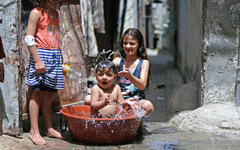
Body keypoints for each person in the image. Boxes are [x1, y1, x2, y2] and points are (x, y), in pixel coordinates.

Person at [24, 0, 64, 145]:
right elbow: (29, 38)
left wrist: (61, 56)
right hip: (40, 55)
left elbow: (55, 37)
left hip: (54, 56)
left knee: (48, 94)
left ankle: (49, 128)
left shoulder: (55, 13)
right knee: (36, 93)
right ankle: (33, 131)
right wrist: (37, 60)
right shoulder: (36, 12)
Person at [113, 28, 154, 117]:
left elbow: (142, 85)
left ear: (139, 45)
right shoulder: (117, 61)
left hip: (137, 101)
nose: (128, 46)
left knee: (148, 106)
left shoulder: (143, 63)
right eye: (125, 43)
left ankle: (136, 121)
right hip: (121, 100)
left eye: (132, 44)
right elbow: (105, 72)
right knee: (89, 99)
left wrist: (130, 76)